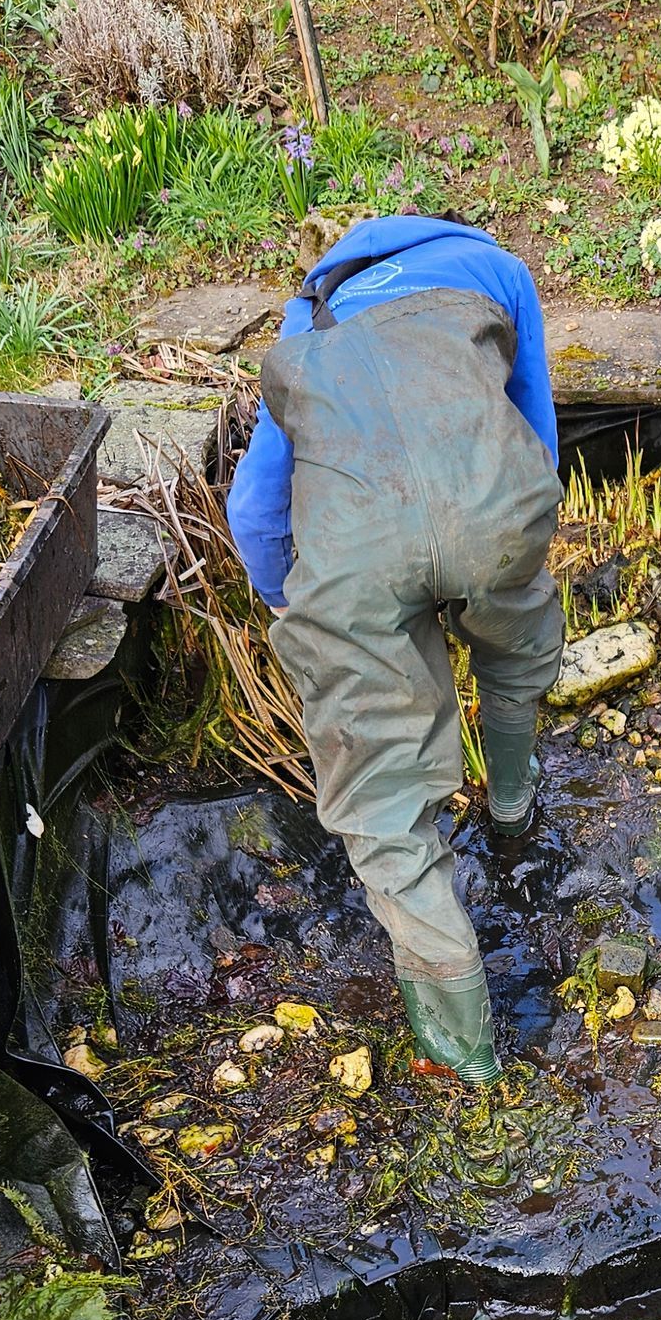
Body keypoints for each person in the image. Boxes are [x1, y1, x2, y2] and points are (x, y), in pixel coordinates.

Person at [226, 212, 564, 1085]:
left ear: (337, 259)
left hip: (355, 556)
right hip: (497, 507)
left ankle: (465, 1062)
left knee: (383, 805)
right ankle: (514, 814)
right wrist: (512, 547)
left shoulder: (306, 324)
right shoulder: (495, 270)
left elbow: (253, 514)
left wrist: (306, 611)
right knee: (515, 653)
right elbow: (533, 432)